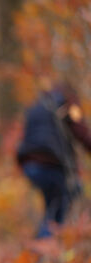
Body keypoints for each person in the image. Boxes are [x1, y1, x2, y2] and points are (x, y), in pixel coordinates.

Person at [17, 80, 91, 238]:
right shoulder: (67, 104)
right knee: (62, 206)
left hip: (30, 165)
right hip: (49, 163)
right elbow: (81, 130)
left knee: (55, 205)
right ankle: (43, 252)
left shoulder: (37, 106)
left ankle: (43, 250)